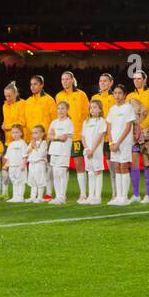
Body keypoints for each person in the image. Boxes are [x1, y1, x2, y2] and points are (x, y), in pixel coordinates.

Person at [56, 71, 90, 203]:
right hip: (63, 137)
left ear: (72, 80)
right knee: (63, 166)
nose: (64, 81)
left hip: (76, 135)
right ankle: (62, 194)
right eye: (62, 79)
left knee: (79, 164)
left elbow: (86, 115)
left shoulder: (81, 95)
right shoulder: (58, 96)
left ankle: (83, 194)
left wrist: (84, 133)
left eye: (67, 79)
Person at [127, 71, 149, 204]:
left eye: (139, 78)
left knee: (147, 163)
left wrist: (142, 127)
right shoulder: (130, 96)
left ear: (145, 79)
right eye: (135, 79)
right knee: (134, 164)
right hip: (133, 135)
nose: (137, 81)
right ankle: (135, 194)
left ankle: (148, 194)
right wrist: (134, 131)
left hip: (146, 134)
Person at [107, 85, 138, 205]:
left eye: (120, 93)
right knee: (116, 168)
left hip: (124, 143)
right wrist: (111, 142)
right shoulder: (112, 109)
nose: (117, 95)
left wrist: (118, 142)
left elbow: (128, 127)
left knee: (123, 167)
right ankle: (118, 196)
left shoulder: (128, 108)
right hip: (113, 143)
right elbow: (109, 127)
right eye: (115, 93)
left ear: (124, 94)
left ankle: (124, 197)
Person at [81, 100, 108, 205]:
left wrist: (92, 149)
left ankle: (97, 197)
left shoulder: (101, 121)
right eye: (91, 107)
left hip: (96, 152)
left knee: (97, 172)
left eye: (95, 107)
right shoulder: (86, 122)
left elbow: (99, 136)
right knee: (90, 172)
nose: (92, 109)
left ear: (100, 109)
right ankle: (90, 196)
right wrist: (87, 149)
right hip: (88, 152)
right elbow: (83, 136)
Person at [49, 100, 74, 204]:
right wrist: (56, 137)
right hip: (54, 150)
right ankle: (57, 196)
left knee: (61, 173)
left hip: (63, 151)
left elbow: (64, 138)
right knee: (55, 173)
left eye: (63, 108)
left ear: (67, 110)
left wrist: (55, 136)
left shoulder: (68, 122)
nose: (60, 111)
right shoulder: (54, 122)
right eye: (58, 108)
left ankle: (62, 196)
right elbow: (49, 136)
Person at [27, 124, 50, 202]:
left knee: (40, 180)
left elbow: (41, 154)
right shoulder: (32, 142)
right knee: (32, 180)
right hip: (31, 164)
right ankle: (32, 196)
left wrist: (35, 147)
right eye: (33, 133)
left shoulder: (43, 143)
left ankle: (39, 197)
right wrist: (31, 147)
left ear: (42, 134)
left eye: (36, 133)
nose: (34, 135)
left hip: (39, 164)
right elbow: (26, 152)